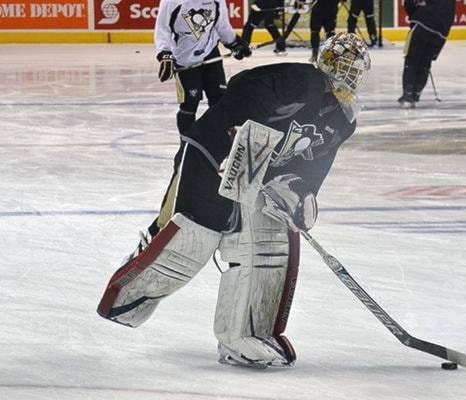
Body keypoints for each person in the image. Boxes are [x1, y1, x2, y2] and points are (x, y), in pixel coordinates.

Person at [97, 33, 371, 369]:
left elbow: (312, 166)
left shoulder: (342, 121)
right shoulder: (304, 81)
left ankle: (247, 334)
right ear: (327, 62)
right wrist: (238, 132)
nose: (350, 75)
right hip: (214, 155)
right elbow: (244, 84)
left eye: (356, 70)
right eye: (345, 66)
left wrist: (299, 193)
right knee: (195, 237)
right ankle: (127, 294)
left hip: (257, 177)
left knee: (268, 245)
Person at [154, 0, 252, 135]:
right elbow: (162, 29)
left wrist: (235, 43)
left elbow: (222, 25)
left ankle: (223, 137)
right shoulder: (172, 2)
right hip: (184, 60)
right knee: (189, 105)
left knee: (219, 100)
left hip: (210, 53)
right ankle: (188, 143)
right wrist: (165, 54)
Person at [398, 0, 455, 108]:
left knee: (412, 60)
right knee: (425, 62)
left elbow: (409, 4)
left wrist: (416, 15)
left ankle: (408, 95)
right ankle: (416, 94)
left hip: (423, 23)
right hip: (441, 31)